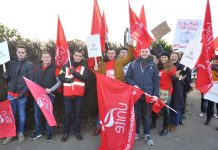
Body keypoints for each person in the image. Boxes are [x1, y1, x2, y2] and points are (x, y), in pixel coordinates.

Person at [92, 42, 134, 136]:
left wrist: (130, 46)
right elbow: (97, 74)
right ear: (107, 54)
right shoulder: (102, 63)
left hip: (117, 90)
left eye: (112, 53)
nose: (111, 55)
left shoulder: (120, 62)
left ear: (115, 54)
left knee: (116, 108)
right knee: (103, 108)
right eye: (109, 53)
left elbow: (130, 56)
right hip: (106, 90)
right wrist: (95, 70)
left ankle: (114, 126)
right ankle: (98, 126)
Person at [126, 47, 159, 146]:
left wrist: (156, 95)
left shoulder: (153, 65)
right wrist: (133, 84)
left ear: (149, 52)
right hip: (136, 95)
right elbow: (128, 77)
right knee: (136, 115)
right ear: (140, 52)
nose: (144, 53)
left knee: (147, 116)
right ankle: (136, 133)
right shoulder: (133, 64)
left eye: (146, 51)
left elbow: (156, 81)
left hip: (148, 95)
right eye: (143, 51)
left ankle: (147, 134)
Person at [2, 45, 34, 145]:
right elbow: (7, 76)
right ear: (16, 52)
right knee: (11, 115)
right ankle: (11, 133)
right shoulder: (12, 63)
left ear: (25, 53)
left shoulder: (29, 65)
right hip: (11, 93)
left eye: (22, 52)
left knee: (21, 114)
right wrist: (5, 76)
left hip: (22, 94)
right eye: (19, 52)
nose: (20, 54)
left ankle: (20, 132)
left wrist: (23, 93)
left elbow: (30, 81)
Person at [29, 51, 61, 142]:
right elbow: (34, 80)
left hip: (50, 95)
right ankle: (38, 132)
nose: (46, 58)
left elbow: (59, 82)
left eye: (48, 57)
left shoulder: (55, 68)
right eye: (44, 57)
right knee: (37, 114)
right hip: (38, 95)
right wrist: (34, 87)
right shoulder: (37, 67)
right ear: (41, 58)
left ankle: (49, 132)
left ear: (51, 58)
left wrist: (51, 89)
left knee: (48, 114)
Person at [58, 50, 88, 142]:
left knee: (77, 114)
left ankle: (77, 132)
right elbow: (60, 76)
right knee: (67, 114)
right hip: (68, 93)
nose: (78, 57)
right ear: (73, 56)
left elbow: (85, 78)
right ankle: (66, 133)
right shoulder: (66, 65)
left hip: (79, 94)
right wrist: (67, 80)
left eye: (80, 56)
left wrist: (74, 73)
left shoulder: (84, 66)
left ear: (81, 57)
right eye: (76, 55)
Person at [157, 51, 177, 136]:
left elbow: (174, 79)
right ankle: (153, 123)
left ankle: (165, 128)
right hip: (157, 90)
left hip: (166, 92)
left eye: (165, 57)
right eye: (162, 57)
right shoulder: (157, 66)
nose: (163, 59)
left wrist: (177, 76)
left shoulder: (171, 67)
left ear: (168, 58)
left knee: (165, 110)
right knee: (155, 106)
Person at [169, 52, 186, 132]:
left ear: (178, 58)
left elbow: (184, 76)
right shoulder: (168, 65)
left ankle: (175, 124)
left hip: (177, 89)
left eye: (175, 56)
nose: (173, 57)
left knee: (176, 108)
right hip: (169, 88)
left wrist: (181, 74)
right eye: (172, 56)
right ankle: (171, 122)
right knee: (170, 107)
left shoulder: (181, 66)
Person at [205, 55, 218, 125]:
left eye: (217, 59)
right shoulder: (210, 67)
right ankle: (208, 119)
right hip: (211, 88)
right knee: (210, 105)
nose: (216, 60)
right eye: (215, 59)